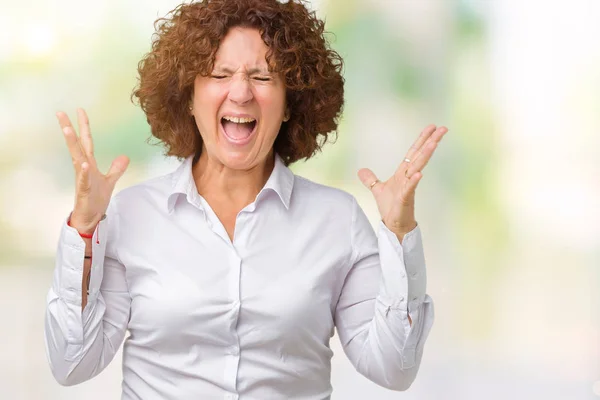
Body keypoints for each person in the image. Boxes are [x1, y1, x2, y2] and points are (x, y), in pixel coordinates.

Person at [44, 0, 447, 398]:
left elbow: (393, 369)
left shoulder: (338, 220)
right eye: (220, 74)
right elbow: (73, 363)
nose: (240, 92)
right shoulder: (131, 215)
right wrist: (83, 232)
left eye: (264, 76)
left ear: (291, 102)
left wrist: (399, 235)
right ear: (187, 95)